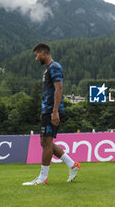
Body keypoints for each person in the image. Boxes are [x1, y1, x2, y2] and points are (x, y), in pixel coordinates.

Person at [23, 43, 80, 185]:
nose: (36, 59)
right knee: (45, 142)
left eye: (36, 55)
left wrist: (54, 111)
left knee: (47, 143)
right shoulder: (48, 69)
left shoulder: (55, 67)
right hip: (47, 111)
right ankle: (72, 164)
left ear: (43, 52)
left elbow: (59, 88)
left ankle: (43, 178)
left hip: (52, 111)